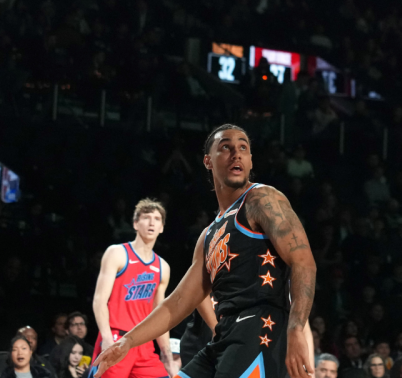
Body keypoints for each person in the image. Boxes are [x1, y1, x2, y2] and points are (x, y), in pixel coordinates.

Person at [93, 124, 317, 378]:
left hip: (262, 328)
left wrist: (296, 329)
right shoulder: (208, 235)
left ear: (250, 160)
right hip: (224, 334)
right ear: (208, 161)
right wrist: (128, 341)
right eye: (226, 147)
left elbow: (303, 261)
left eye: (243, 148)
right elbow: (179, 301)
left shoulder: (262, 199)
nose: (236, 153)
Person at [91, 198, 178, 378]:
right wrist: (107, 338)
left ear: (162, 227)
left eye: (157, 219)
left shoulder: (163, 267)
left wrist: (167, 356)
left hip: (144, 343)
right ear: (135, 224)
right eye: (146, 217)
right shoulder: (117, 253)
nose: (152, 223)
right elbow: (99, 300)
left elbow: (160, 315)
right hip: (117, 338)